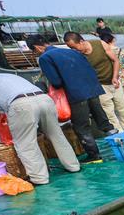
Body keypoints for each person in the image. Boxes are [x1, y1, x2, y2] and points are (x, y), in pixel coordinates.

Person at [0, 67, 80, 184]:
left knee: (26, 144)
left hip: (21, 104)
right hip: (44, 99)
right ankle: (73, 166)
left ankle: (39, 178)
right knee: (57, 135)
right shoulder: (5, 76)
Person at [27, 34, 114, 163]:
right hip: (93, 90)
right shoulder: (72, 52)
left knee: (81, 127)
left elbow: (56, 82)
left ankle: (94, 156)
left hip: (76, 94)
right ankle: (120, 141)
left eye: (33, 51)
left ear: (36, 48)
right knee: (103, 121)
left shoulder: (45, 57)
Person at [63, 31, 124, 132]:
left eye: (74, 47)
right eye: (71, 48)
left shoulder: (99, 44)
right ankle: (120, 135)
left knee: (123, 110)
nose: (74, 50)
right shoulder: (78, 55)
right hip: (100, 86)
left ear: (81, 41)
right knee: (109, 113)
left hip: (113, 81)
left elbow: (115, 60)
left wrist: (115, 77)